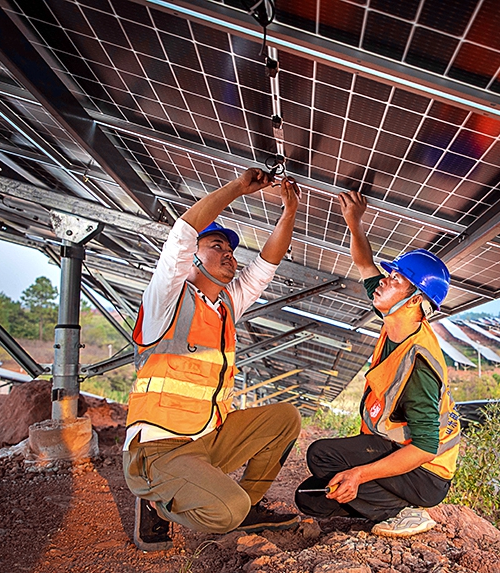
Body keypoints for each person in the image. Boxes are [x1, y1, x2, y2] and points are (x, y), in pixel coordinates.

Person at [123, 168, 303, 551]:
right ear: (193, 259)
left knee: (284, 418)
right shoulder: (165, 300)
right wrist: (238, 187)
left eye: (231, 250)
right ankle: (156, 501)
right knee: (227, 511)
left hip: (206, 438)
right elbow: (182, 233)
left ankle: (249, 505)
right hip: (159, 451)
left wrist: (288, 214)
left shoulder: (226, 307)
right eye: (216, 246)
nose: (228, 255)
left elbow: (265, 269)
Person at [295, 190, 461, 538]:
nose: (385, 280)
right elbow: (365, 264)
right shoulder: (394, 320)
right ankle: (374, 502)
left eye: (396, 279)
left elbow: (425, 447)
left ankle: (404, 514)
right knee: (310, 496)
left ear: (416, 302)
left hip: (426, 473)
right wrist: (354, 222)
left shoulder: (420, 364)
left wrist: (359, 475)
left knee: (323, 457)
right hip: (395, 450)